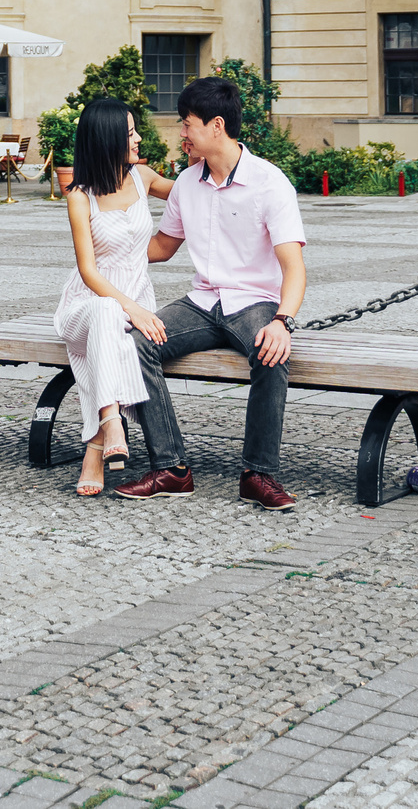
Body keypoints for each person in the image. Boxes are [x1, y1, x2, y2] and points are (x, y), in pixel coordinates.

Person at [114, 75, 308, 512]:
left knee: (272, 353)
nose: (181, 134)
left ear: (215, 125)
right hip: (200, 304)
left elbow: (293, 267)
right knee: (133, 342)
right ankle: (172, 468)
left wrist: (283, 322)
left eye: (187, 124)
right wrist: (102, 252)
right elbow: (163, 247)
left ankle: (258, 475)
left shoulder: (269, 183)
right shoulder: (186, 183)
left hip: (255, 303)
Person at [54, 98, 163, 497]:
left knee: (112, 322)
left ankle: (97, 445)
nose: (138, 138)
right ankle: (112, 420)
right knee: (104, 309)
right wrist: (131, 308)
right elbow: (88, 270)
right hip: (87, 304)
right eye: (130, 132)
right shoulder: (79, 196)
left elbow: (196, 196)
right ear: (107, 139)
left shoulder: (144, 178)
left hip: (136, 300)